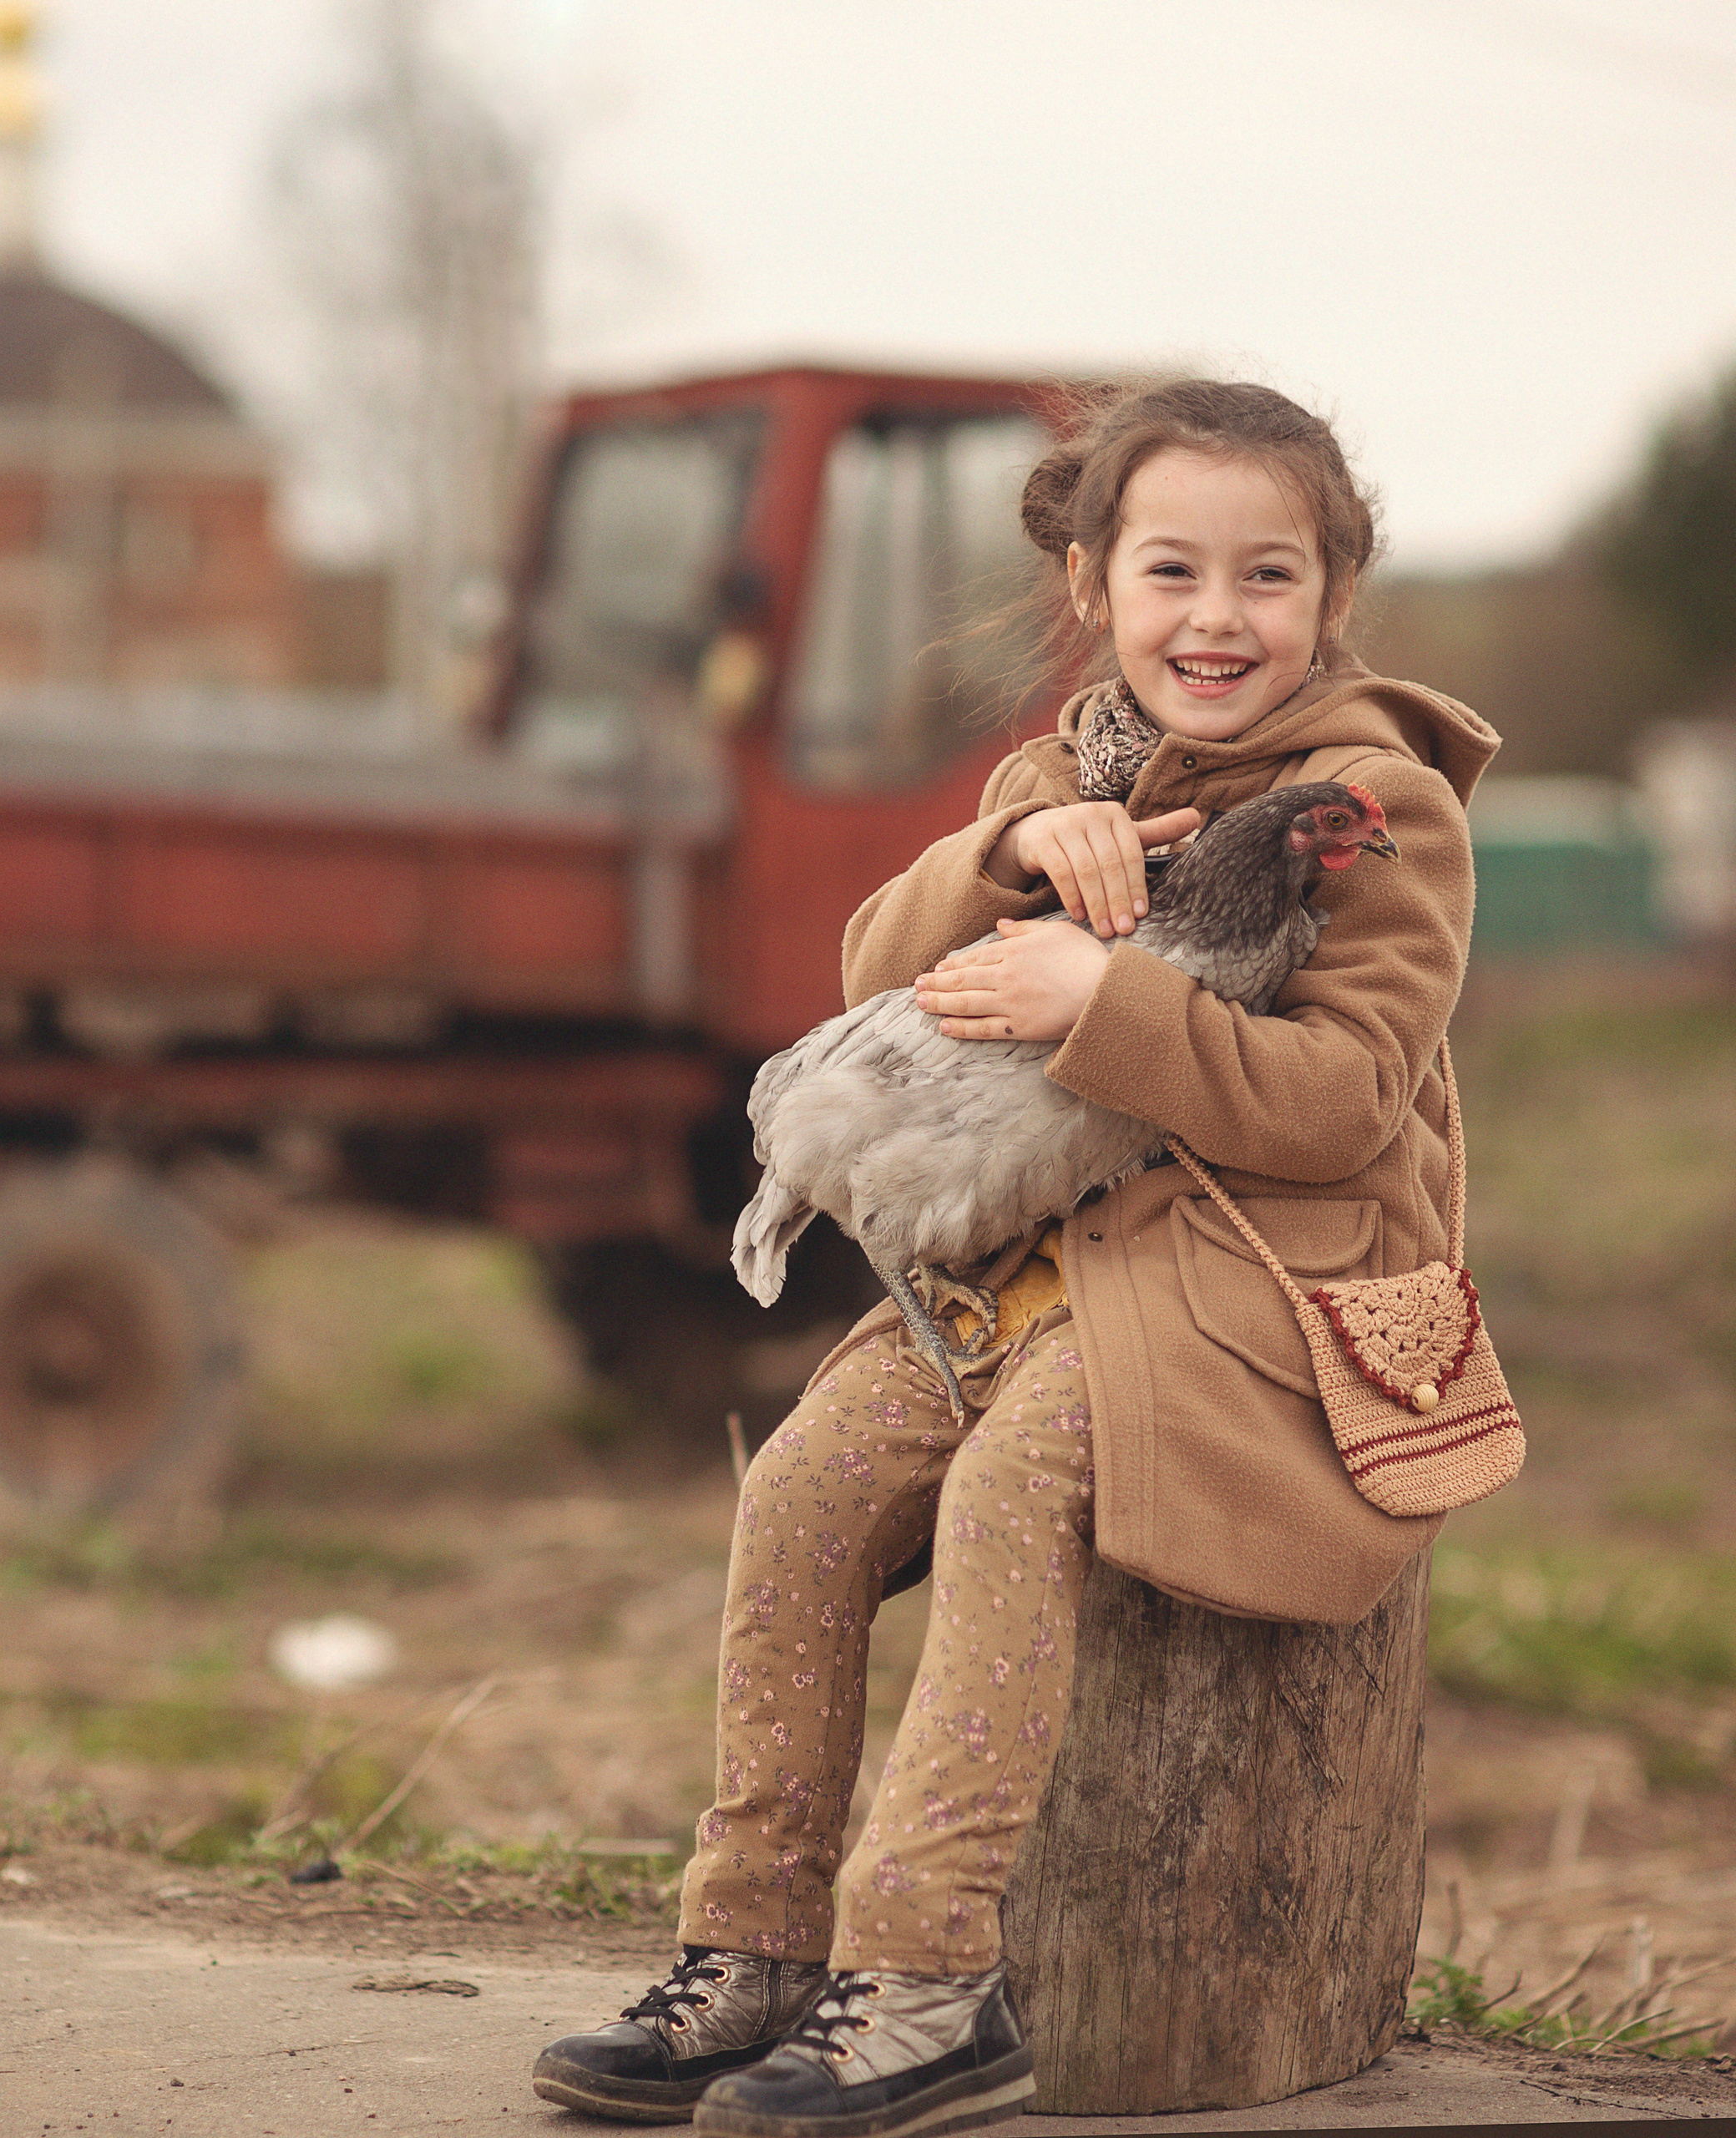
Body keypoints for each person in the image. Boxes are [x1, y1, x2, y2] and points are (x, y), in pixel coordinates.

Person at [533, 379, 1499, 2138]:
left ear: (1330, 595)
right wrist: (994, 854)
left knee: (1007, 1491)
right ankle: (754, 1942)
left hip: (1255, 1282)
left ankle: (921, 1980)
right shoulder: (1057, 776)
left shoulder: (1379, 802)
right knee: (808, 1479)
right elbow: (865, 974)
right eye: (1171, 569)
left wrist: (1097, 999)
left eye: (1264, 575)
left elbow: (1341, 1100)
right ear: (1091, 583)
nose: (1215, 616)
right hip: (1030, 1268)